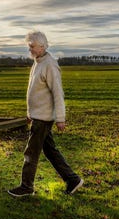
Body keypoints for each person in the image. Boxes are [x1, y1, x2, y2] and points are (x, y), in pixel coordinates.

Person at [8, 30, 83, 197]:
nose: (30, 50)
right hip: (38, 115)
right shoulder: (38, 62)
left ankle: (26, 187)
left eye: (32, 46)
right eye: (29, 46)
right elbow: (34, 92)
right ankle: (73, 180)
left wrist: (61, 118)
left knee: (31, 153)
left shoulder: (50, 64)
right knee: (50, 151)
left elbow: (58, 93)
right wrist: (30, 112)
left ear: (42, 47)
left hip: (43, 118)